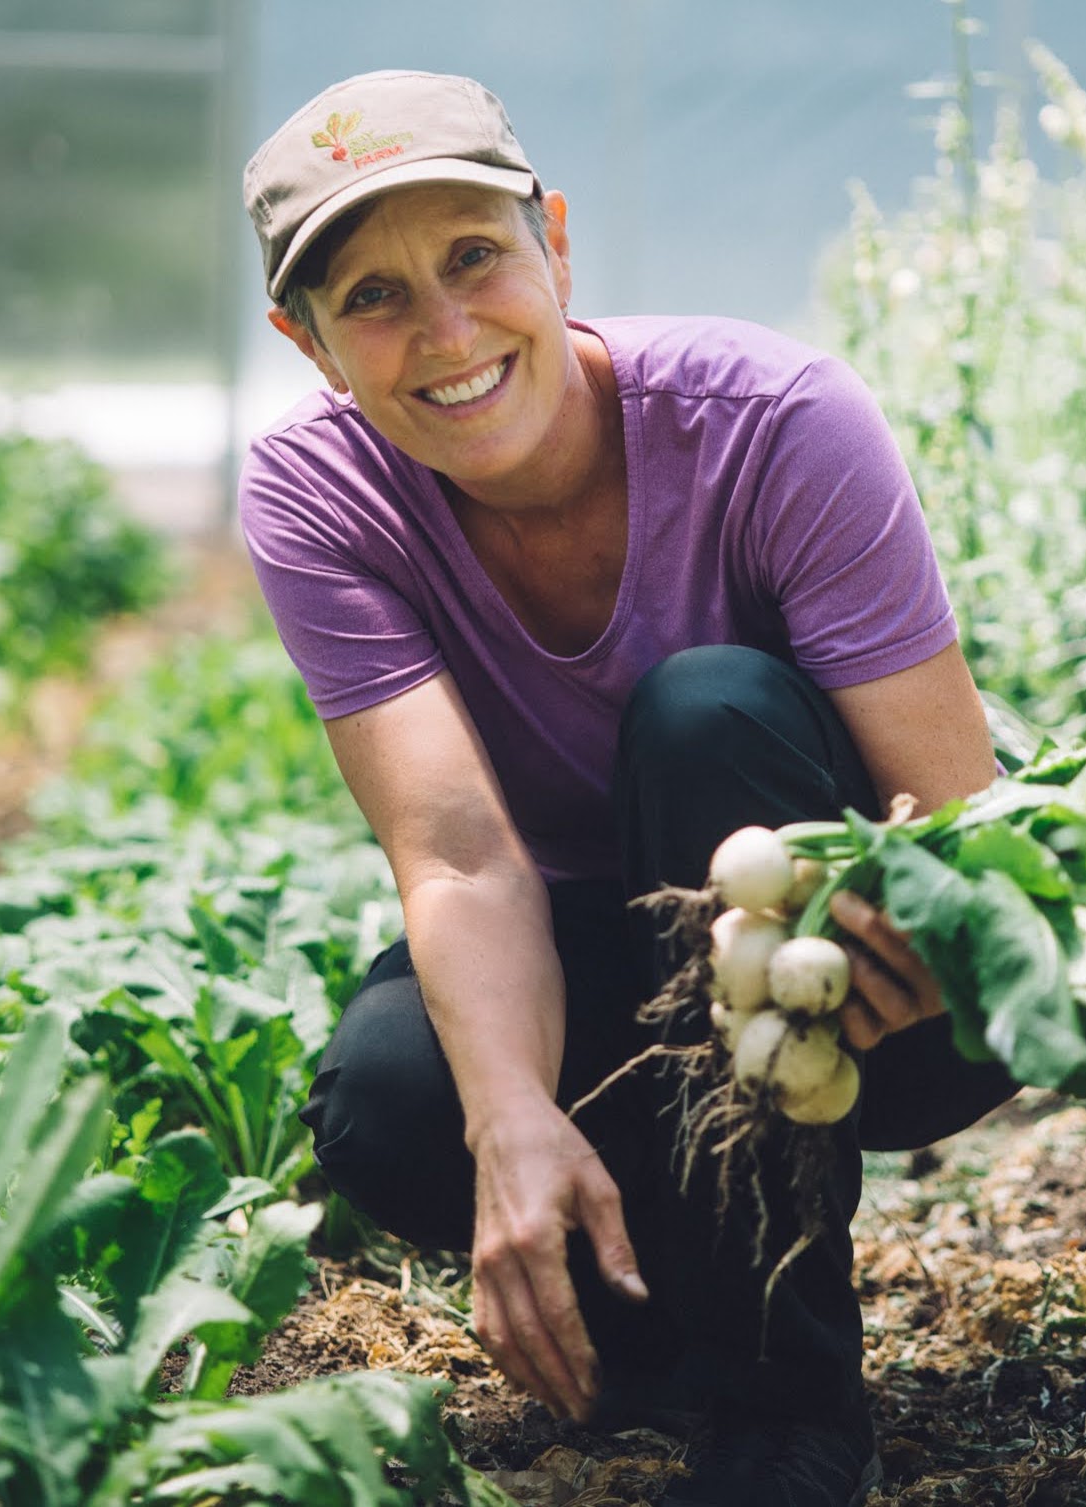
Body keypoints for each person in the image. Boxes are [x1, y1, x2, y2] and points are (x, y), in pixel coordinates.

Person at [239, 69, 1017, 1507]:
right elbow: (463, 855)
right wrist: (510, 1121)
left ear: (556, 245)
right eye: (373, 296)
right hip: (615, 944)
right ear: (309, 342)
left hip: (867, 953)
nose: (446, 332)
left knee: (703, 708)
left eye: (474, 256)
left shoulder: (771, 418)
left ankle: (789, 1411)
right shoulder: (319, 492)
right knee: (401, 1100)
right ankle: (671, 1337)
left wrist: (897, 931)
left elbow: (950, 814)